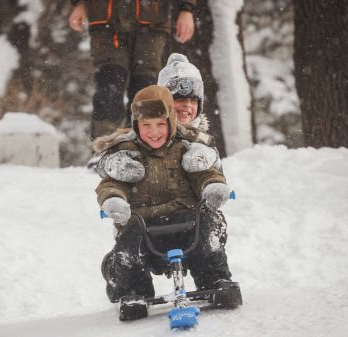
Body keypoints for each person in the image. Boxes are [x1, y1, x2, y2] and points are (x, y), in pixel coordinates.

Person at [94, 85, 234, 305]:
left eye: (161, 124)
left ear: (171, 122)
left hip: (187, 218)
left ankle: (215, 281)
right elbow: (112, 183)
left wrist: (212, 186)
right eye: (146, 125)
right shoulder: (126, 152)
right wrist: (114, 199)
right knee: (129, 251)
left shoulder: (186, 146)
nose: (154, 131)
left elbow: (204, 173)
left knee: (208, 235)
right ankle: (132, 291)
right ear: (135, 124)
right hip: (144, 224)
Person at [68, 0, 197, 140]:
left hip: (152, 21)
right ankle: (104, 150)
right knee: (109, 89)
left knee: (144, 93)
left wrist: (186, 9)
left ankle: (139, 149)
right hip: (106, 21)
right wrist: (79, 3)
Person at [95, 52, 221, 183]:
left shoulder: (201, 139)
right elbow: (102, 167)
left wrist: (207, 157)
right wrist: (116, 164)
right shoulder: (147, 132)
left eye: (193, 101)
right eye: (179, 100)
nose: (187, 105)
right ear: (164, 102)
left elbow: (217, 173)